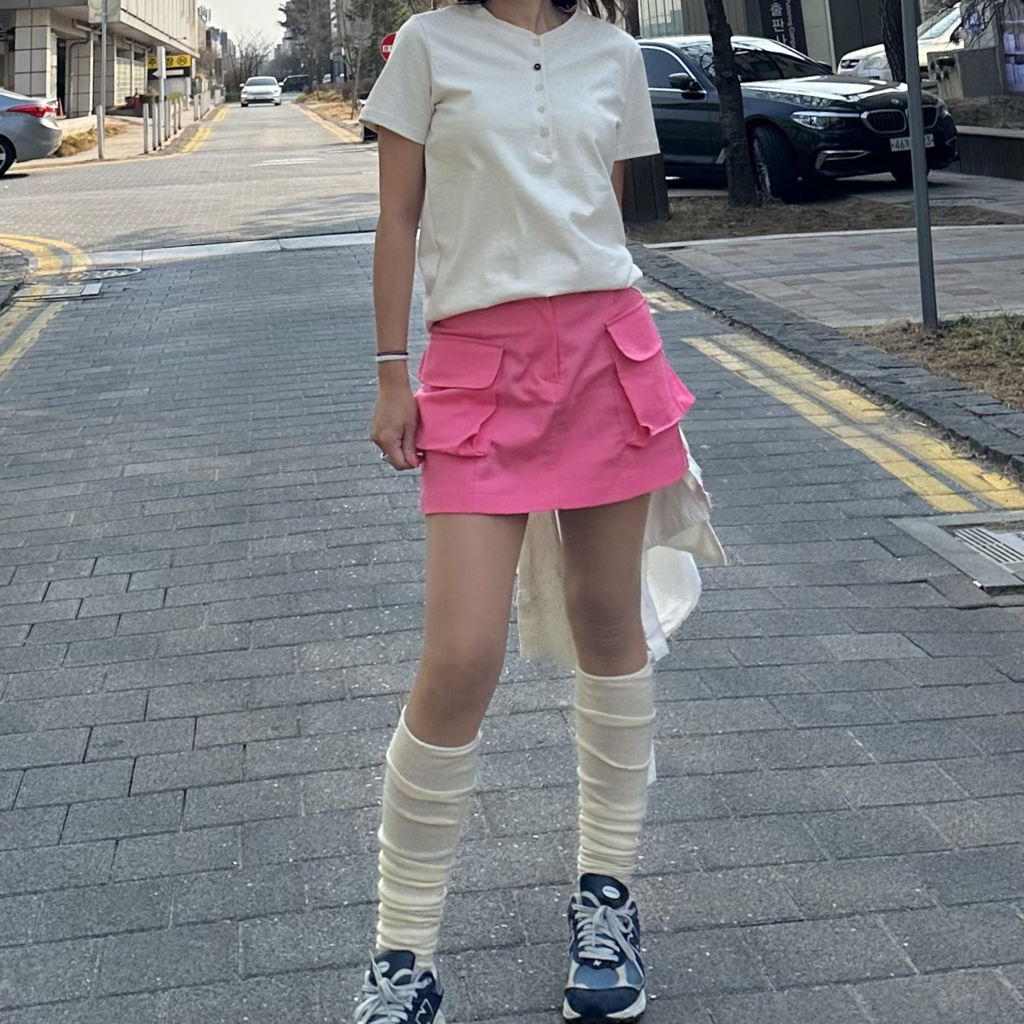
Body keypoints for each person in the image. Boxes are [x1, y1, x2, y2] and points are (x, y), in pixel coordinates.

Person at [355, 0, 721, 1021]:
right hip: (476, 365)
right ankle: (401, 956)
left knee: (609, 622)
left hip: (607, 355)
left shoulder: (613, 53)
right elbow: (397, 217)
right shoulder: (427, 44)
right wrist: (391, 372)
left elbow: (599, 213)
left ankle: (607, 899)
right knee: (460, 658)